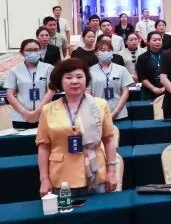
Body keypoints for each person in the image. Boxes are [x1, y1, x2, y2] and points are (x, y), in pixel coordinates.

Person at [36, 58, 119, 196]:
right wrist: (44, 179)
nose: (75, 81)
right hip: (62, 176)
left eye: (79, 77)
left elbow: (109, 140)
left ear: (86, 79)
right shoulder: (48, 110)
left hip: (96, 173)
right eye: (68, 77)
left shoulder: (99, 105)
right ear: (60, 81)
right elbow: (43, 146)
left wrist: (112, 172)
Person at [5, 38, 56, 129]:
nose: (33, 53)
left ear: (40, 51)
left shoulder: (49, 68)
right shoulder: (14, 71)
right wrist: (25, 112)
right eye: (29, 50)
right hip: (21, 117)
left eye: (36, 50)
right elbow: (10, 95)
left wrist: (37, 111)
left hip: (44, 115)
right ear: (22, 52)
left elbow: (51, 91)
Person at [136, 31, 171, 119]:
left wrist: (165, 87)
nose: (157, 42)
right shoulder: (142, 57)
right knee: (150, 118)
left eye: (159, 39)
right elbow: (141, 76)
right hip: (149, 92)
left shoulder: (170, 55)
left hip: (169, 91)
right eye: (154, 40)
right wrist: (154, 88)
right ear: (148, 42)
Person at [88, 38, 134, 120]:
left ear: (112, 52)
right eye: (102, 50)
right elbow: (87, 94)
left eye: (109, 50)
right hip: (97, 114)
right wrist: (96, 111)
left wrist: (116, 112)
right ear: (96, 53)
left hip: (119, 113)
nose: (106, 52)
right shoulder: (90, 71)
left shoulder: (121, 69)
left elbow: (125, 92)